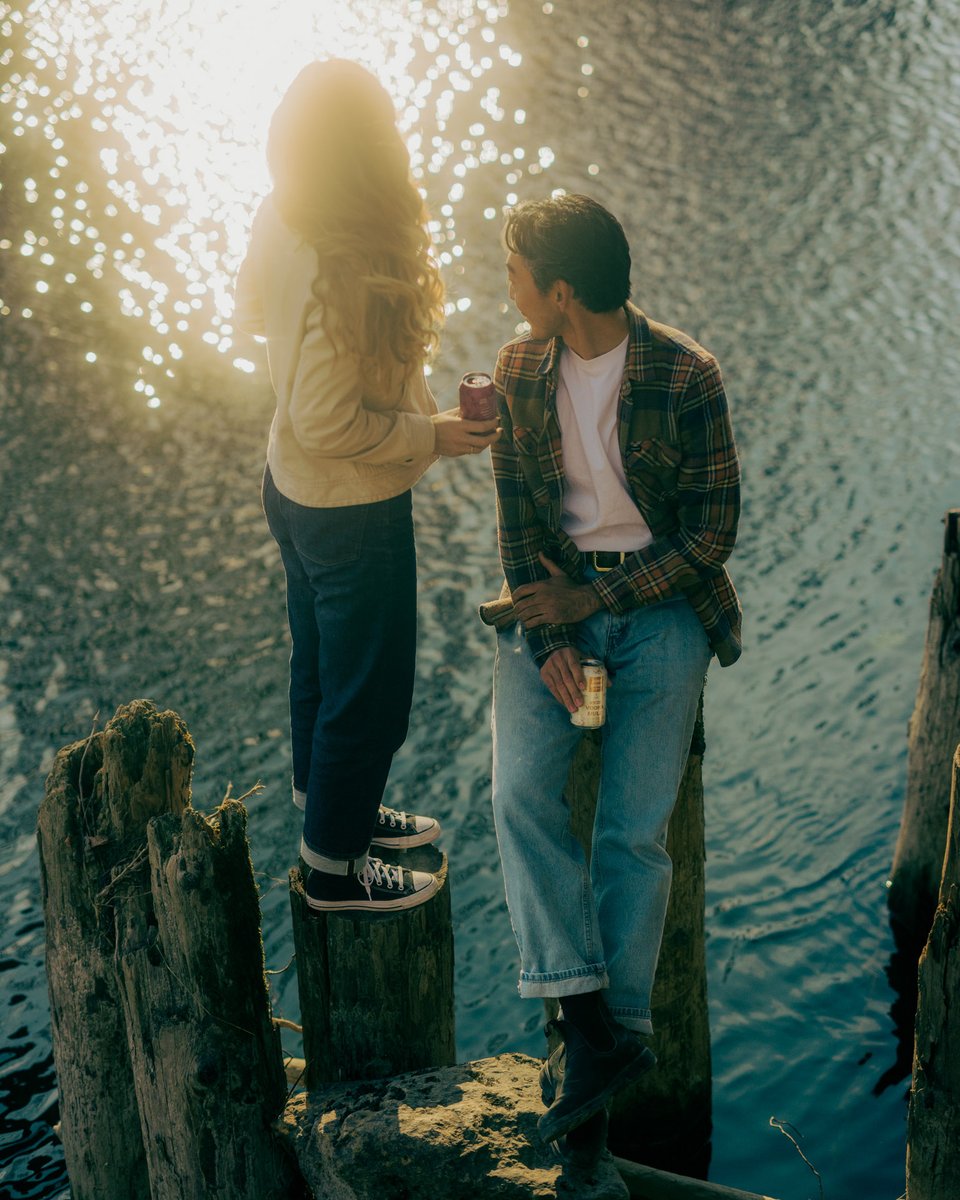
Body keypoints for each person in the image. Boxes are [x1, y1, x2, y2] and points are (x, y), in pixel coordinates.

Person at [480, 194, 741, 1151]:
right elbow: (513, 517)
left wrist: (603, 602)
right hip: (552, 605)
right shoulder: (516, 368)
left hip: (661, 607)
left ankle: (615, 1032)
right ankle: (584, 1017)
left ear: (559, 291)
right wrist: (551, 638)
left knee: (634, 830)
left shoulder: (685, 372)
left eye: (514, 273)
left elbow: (713, 535)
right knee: (517, 797)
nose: (504, 290)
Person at [235, 60, 499, 914]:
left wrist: (425, 425)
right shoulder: (337, 260)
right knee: (371, 693)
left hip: (294, 490)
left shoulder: (284, 215)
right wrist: (425, 435)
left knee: (319, 666)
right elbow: (328, 420)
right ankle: (335, 871)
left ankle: (330, 812)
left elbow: (251, 317)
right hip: (347, 508)